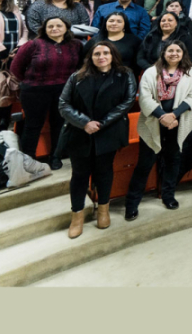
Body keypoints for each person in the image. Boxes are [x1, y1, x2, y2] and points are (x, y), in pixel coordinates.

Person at [59, 40, 136, 238]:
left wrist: (101, 123)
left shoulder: (124, 74)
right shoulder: (77, 77)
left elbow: (127, 101)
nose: (101, 57)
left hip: (108, 131)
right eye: (97, 54)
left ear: (113, 56)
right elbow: (63, 104)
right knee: (79, 176)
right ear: (90, 57)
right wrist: (85, 122)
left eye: (106, 53)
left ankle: (103, 209)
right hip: (80, 132)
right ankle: (77, 216)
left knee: (104, 172)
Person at [126, 41, 192, 220]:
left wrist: (173, 116)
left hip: (178, 122)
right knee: (145, 163)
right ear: (163, 53)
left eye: (178, 50)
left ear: (183, 53)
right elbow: (144, 98)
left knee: (174, 160)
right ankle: (132, 203)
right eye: (170, 50)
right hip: (153, 122)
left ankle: (168, 196)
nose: (174, 53)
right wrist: (162, 116)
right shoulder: (151, 72)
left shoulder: (191, 72)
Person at [10, 17, 82, 165]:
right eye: (50, 26)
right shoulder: (33, 44)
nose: (54, 28)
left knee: (59, 124)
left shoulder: (76, 45)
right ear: (44, 29)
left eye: (58, 25)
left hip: (64, 91)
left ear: (66, 28)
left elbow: (80, 67)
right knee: (33, 125)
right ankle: (27, 160)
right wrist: (33, 81)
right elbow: (16, 68)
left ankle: (55, 157)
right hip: (35, 91)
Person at [0, 0, 29, 131]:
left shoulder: (13, 8)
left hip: (13, 56)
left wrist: (20, 46)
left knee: (7, 87)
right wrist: (0, 50)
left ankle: (2, 123)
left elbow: (24, 29)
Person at [26, 0, 90, 35]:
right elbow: (34, 26)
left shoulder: (78, 6)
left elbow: (85, 25)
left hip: (74, 40)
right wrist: (54, 36)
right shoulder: (38, 5)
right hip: (45, 41)